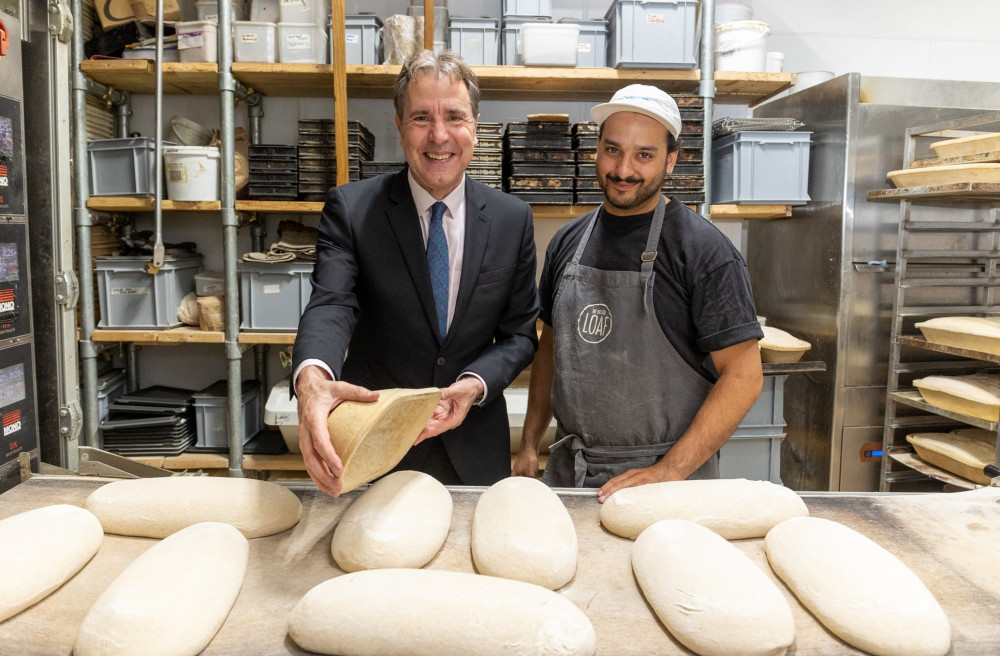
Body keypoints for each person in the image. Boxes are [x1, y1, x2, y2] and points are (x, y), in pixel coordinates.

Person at [293, 50, 540, 497]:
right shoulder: (352, 209)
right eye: (422, 117)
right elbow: (332, 303)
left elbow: (520, 335)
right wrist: (313, 380)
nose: (439, 135)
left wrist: (473, 385)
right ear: (400, 127)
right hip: (376, 442)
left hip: (474, 444)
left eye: (454, 117)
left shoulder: (512, 219)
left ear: (475, 126)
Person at [511, 84, 764, 502]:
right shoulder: (567, 242)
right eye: (613, 150)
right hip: (571, 474)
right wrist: (528, 445)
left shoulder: (703, 251)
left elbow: (744, 376)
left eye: (644, 155)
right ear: (596, 149)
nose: (624, 169)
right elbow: (551, 351)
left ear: (671, 160)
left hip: (665, 483)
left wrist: (669, 470)